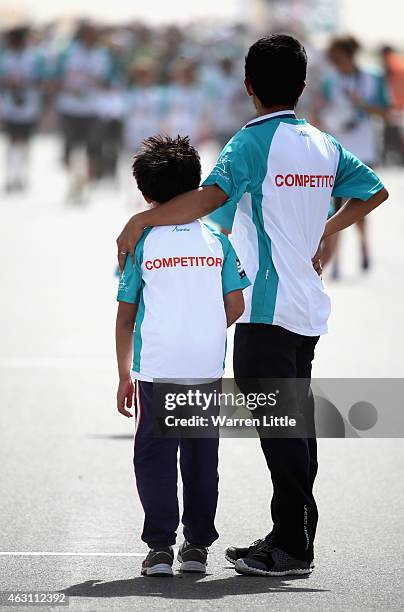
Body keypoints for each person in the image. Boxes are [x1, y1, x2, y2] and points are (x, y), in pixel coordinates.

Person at [116, 34, 388, 577]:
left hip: (265, 310)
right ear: (304, 86)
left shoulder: (250, 143)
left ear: (247, 87)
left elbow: (209, 198)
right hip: (307, 308)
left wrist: (141, 219)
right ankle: (293, 533)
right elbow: (375, 191)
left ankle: (291, 544)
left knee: (281, 428)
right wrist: (328, 230)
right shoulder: (322, 143)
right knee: (297, 423)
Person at [115, 135, 250, 577]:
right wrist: (203, 327)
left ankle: (158, 549)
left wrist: (123, 375)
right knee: (200, 458)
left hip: (156, 367)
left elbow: (125, 317)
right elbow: (236, 307)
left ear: (146, 193)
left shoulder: (141, 242)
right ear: (195, 188)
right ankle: (196, 547)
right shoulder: (218, 240)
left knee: (153, 457)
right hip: (205, 366)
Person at [315, 36, 389, 277]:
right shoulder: (329, 80)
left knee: (358, 204)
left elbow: (386, 111)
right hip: (336, 150)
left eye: (337, 57)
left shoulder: (373, 78)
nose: (334, 62)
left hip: (363, 148)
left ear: (348, 55)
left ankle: (363, 245)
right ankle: (335, 258)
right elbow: (318, 109)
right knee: (335, 206)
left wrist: (362, 104)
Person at [0, 25, 45, 192]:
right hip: (10, 107)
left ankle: (23, 175)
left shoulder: (34, 58)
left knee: (25, 143)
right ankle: (11, 176)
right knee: (12, 142)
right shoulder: (5, 58)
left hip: (28, 107)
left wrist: (25, 83)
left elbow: (42, 80)